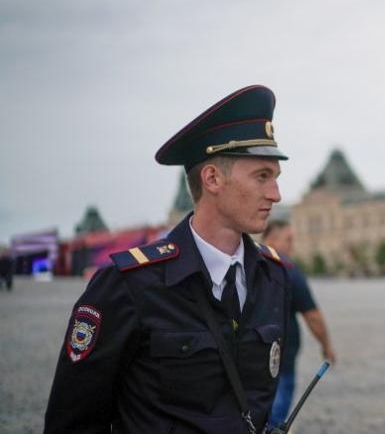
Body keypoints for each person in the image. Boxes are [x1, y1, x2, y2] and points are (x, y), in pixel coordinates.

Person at [45, 85, 291, 433]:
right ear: (212, 178)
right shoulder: (129, 284)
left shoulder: (273, 278)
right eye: (262, 176)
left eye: (276, 178)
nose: (276, 194)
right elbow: (72, 422)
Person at [262, 220, 336, 426]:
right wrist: (326, 346)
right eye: (288, 239)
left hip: (249, 362)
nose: (292, 245)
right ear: (272, 239)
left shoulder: (246, 263)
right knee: (275, 421)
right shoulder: (287, 269)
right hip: (281, 361)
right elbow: (312, 315)